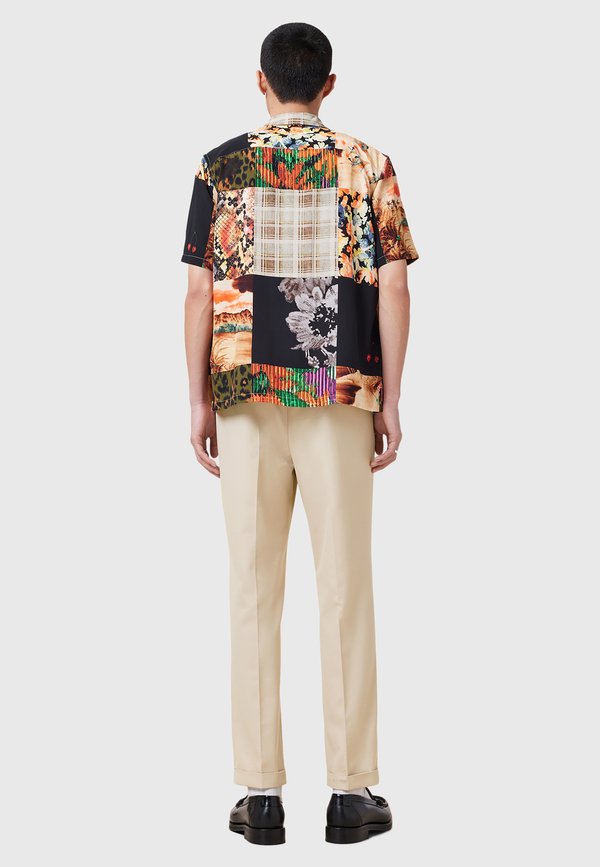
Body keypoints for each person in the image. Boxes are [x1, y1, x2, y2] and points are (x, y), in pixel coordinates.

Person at [181, 22, 419, 845]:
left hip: (244, 390)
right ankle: (351, 794)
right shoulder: (368, 164)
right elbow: (395, 287)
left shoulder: (220, 167)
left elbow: (198, 293)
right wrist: (390, 400)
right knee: (345, 584)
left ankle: (261, 794)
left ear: (261, 82)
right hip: (336, 387)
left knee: (253, 587)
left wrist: (198, 401)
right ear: (329, 84)